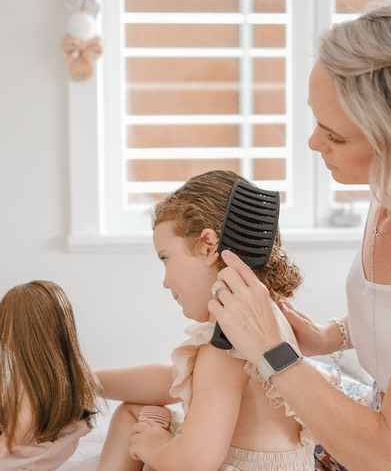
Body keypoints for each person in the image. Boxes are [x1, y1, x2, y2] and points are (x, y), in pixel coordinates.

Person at [207, 0, 391, 471]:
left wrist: (273, 349)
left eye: (335, 136)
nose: (314, 143)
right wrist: (323, 337)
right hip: (384, 415)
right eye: (316, 120)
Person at [96, 170, 316, 471]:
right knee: (134, 410)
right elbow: (172, 379)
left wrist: (153, 445)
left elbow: (193, 462)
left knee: (132, 419)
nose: (165, 281)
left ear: (208, 246)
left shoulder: (226, 344)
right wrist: (87, 382)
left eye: (165, 258)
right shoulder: (265, 321)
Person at [0, 280, 100, 470]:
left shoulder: (33, 386)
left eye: (7, 326)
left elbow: (12, 436)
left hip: (27, 452)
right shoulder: (61, 373)